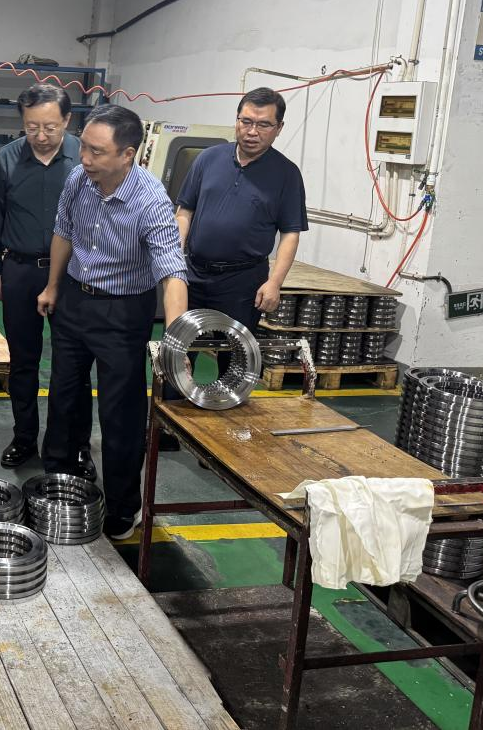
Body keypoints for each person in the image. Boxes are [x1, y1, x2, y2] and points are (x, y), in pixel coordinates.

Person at [37, 104, 188, 542]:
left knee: (120, 413)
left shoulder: (151, 201)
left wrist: (176, 338)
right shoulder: (78, 180)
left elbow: (172, 272)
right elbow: (64, 232)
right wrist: (52, 286)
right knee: (64, 396)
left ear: (128, 154)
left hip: (122, 312)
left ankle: (124, 506)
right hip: (74, 301)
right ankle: (60, 481)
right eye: (83, 147)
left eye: (97, 152)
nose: (84, 158)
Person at [0, 83, 90, 473]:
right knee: (23, 361)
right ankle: (25, 437)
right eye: (32, 128)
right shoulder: (8, 158)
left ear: (67, 120)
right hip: (20, 270)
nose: (41, 136)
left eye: (50, 127)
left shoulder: (84, 157)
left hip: (73, 273)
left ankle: (76, 445)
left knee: (74, 364)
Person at [175, 87, 307, 345]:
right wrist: (175, 258)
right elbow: (184, 212)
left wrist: (275, 283)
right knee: (180, 350)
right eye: (246, 121)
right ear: (236, 120)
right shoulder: (208, 159)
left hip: (242, 284)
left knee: (235, 358)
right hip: (193, 275)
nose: (252, 131)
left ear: (279, 128)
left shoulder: (286, 174)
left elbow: (290, 234)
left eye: (263, 124)